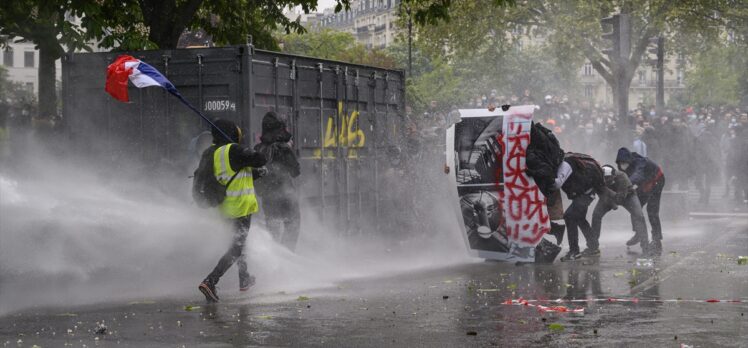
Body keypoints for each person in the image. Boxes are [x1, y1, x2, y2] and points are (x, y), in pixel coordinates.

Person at [198, 119, 267, 303]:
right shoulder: (234, 150)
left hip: (226, 208)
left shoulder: (216, 153)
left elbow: (235, 174)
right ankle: (210, 281)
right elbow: (261, 159)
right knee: (236, 247)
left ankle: (244, 278)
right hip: (241, 208)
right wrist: (250, 150)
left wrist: (256, 174)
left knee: (238, 243)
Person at [254, 112, 302, 251]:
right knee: (292, 226)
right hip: (286, 198)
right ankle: (287, 257)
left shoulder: (258, 149)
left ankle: (275, 260)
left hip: (268, 199)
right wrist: (288, 149)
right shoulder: (283, 148)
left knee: (272, 231)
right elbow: (295, 172)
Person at [615, 147, 665, 256]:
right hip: (645, 183)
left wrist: (627, 184)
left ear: (629, 160)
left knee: (652, 211)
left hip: (657, 179)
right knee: (634, 207)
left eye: (624, 162)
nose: (622, 165)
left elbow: (638, 175)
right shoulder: (622, 167)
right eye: (620, 163)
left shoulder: (640, 161)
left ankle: (657, 240)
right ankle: (638, 233)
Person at [556, 153, 605, 261]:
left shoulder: (565, 165)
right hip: (585, 193)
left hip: (586, 193)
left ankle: (574, 251)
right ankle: (593, 247)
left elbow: (557, 183)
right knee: (580, 218)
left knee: (569, 216)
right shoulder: (565, 162)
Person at [591, 165, 649, 255]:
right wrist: (611, 203)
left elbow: (620, 199)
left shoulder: (622, 176)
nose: (606, 181)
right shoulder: (597, 177)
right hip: (608, 197)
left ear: (614, 176)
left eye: (608, 178)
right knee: (596, 215)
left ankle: (645, 245)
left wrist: (607, 190)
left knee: (639, 216)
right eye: (604, 179)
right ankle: (593, 246)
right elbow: (601, 194)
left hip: (628, 196)